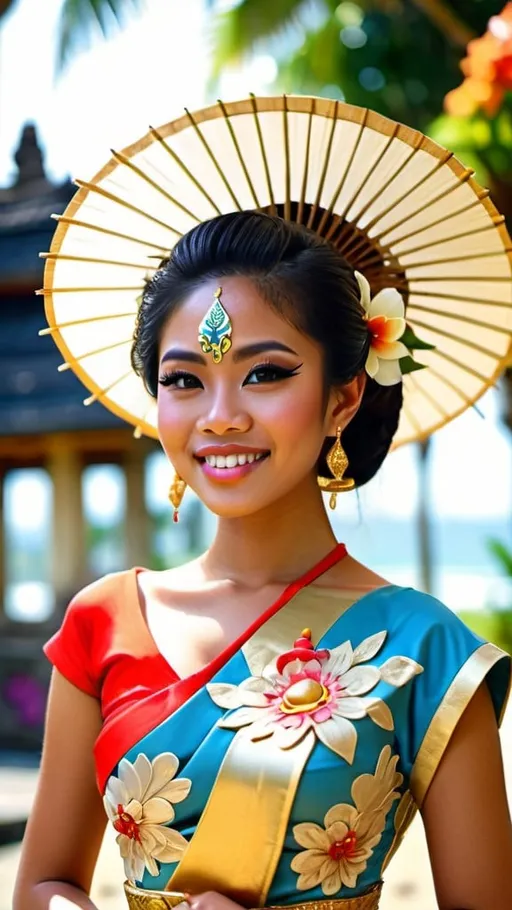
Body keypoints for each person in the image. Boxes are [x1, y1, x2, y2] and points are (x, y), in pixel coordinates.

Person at [13, 99, 512, 910]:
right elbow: (42, 884)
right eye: (184, 380)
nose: (220, 416)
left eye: (266, 372)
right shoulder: (105, 623)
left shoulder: (430, 653)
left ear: (343, 398)